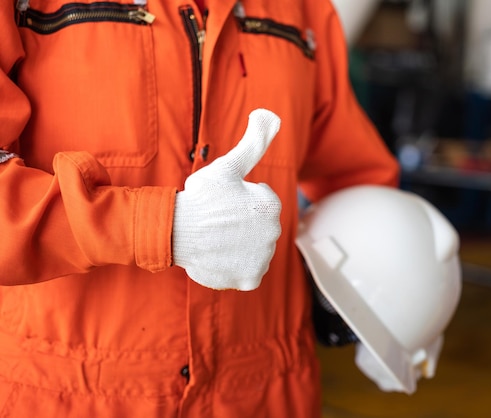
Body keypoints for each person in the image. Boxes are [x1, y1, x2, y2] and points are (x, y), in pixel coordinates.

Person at [0, 0, 399, 416]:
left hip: (268, 394)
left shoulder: (304, 11)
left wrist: (396, 288)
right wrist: (158, 226)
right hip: (63, 395)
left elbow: (355, 176)